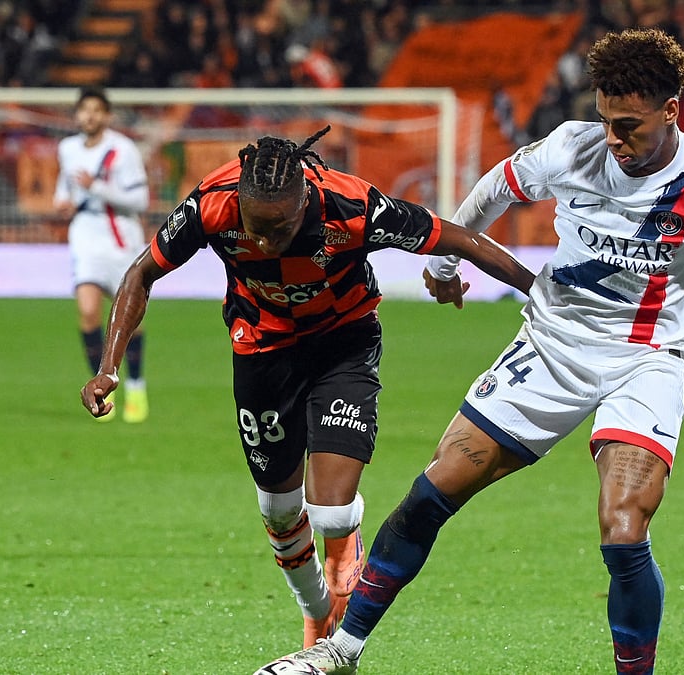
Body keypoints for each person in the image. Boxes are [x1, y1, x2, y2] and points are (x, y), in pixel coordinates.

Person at [264, 27, 684, 675]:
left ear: (672, 110)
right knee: (433, 490)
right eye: (605, 120)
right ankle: (341, 650)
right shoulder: (571, 147)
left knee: (623, 525)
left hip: (647, 361)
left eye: (629, 125)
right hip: (552, 346)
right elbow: (497, 187)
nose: (613, 139)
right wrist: (449, 266)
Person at [79, 127, 534, 648]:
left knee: (332, 511)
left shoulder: (354, 205)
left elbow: (461, 237)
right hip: (262, 351)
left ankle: (344, 541)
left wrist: (537, 290)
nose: (267, 240)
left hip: (343, 343)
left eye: (282, 226)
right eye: (258, 227)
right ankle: (316, 614)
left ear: (304, 200)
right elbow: (141, 274)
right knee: (277, 511)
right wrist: (109, 366)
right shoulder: (212, 204)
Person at [56, 86, 151, 423]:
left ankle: (136, 386)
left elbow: (140, 201)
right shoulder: (67, 149)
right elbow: (64, 189)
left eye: (96, 110)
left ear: (107, 116)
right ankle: (98, 389)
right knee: (87, 311)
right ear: (77, 114)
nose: (89, 116)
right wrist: (63, 202)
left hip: (120, 235)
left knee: (128, 319)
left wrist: (96, 187)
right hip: (85, 233)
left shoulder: (122, 150)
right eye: (84, 110)